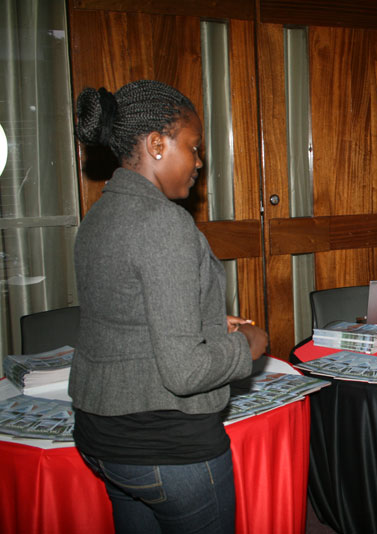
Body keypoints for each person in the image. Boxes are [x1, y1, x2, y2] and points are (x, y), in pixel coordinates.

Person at [69, 79, 269, 534]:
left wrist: (206, 319)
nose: (199, 162)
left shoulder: (98, 217)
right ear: (157, 144)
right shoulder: (164, 223)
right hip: (167, 449)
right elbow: (184, 372)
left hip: (102, 440)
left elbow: (126, 315)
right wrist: (248, 346)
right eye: (193, 148)